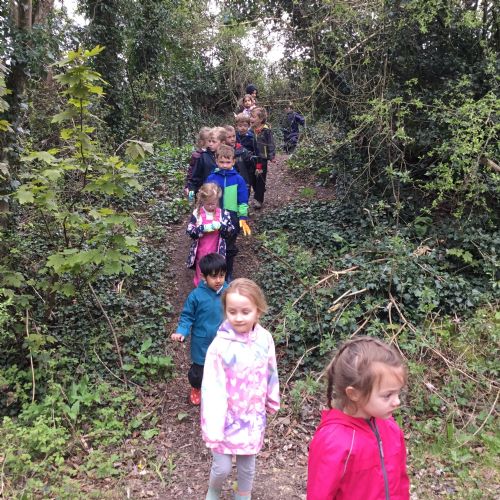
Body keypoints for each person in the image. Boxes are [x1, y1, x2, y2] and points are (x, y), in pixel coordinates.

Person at [201, 278, 280, 500]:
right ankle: (214, 490)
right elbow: (210, 388)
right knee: (222, 467)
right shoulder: (219, 346)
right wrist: (213, 425)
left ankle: (243, 494)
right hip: (224, 419)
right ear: (226, 311)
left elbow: (271, 369)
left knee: (247, 466)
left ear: (258, 311)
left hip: (252, 417)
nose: (238, 317)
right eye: (232, 311)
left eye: (245, 311)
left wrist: (272, 399)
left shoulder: (265, 339)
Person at [307, 336, 410, 500]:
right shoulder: (333, 441)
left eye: (398, 392)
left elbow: (401, 481)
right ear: (354, 393)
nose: (397, 401)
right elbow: (320, 494)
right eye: (387, 395)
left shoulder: (391, 429)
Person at [171, 253, 228, 405]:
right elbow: (187, 317)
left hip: (223, 340)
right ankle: (197, 388)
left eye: (222, 276)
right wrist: (181, 332)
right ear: (204, 277)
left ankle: (219, 390)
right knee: (199, 371)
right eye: (214, 277)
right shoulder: (196, 296)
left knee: (223, 368)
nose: (218, 280)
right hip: (202, 342)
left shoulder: (229, 292)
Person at [205, 145, 251, 282]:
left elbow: (243, 200)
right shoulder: (211, 178)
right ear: (216, 161)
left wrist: (242, 217)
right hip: (214, 216)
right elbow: (205, 198)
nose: (225, 165)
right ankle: (213, 272)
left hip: (232, 217)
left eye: (228, 162)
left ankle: (228, 272)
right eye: (222, 162)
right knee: (214, 245)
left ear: (233, 161)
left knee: (229, 247)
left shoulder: (238, 179)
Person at [186, 182, 235, 287]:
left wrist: (222, 227)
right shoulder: (197, 213)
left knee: (216, 271)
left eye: (214, 203)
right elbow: (190, 231)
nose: (211, 206)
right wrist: (201, 229)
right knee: (202, 271)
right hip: (201, 252)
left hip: (217, 252)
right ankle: (201, 290)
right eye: (208, 203)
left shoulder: (223, 214)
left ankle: (215, 290)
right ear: (202, 201)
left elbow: (231, 231)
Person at [249, 107, 275, 209]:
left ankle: (258, 199)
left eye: (253, 116)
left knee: (260, 177)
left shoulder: (266, 131)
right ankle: (259, 190)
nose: (251, 118)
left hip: (261, 158)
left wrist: (271, 155)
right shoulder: (250, 131)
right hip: (252, 158)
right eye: (250, 116)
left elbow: (271, 144)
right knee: (252, 178)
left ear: (260, 119)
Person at [189, 127, 227, 197]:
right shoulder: (203, 156)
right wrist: (192, 189)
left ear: (222, 143)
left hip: (225, 193)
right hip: (207, 193)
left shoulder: (228, 156)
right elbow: (196, 175)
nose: (210, 144)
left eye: (214, 142)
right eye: (209, 141)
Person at [224, 125, 254, 196]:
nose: (232, 139)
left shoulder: (241, 149)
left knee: (243, 198)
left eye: (234, 136)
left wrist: (251, 159)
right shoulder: (222, 151)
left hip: (243, 178)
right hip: (229, 181)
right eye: (229, 137)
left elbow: (249, 164)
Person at [185, 127, 211, 197]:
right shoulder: (198, 155)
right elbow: (191, 172)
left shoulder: (213, 154)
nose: (211, 143)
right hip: (200, 188)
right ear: (202, 142)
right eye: (209, 141)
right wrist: (189, 187)